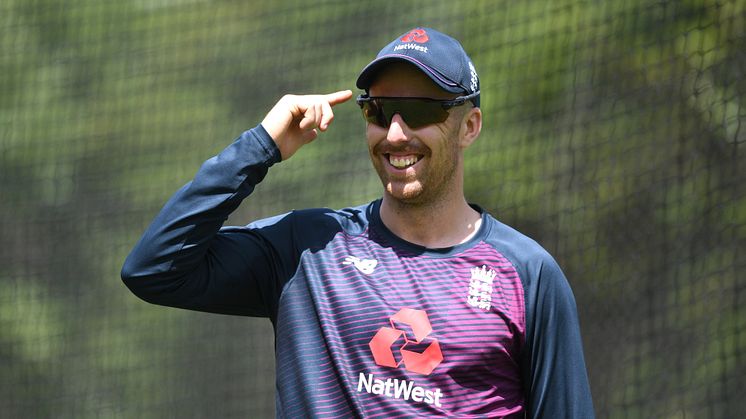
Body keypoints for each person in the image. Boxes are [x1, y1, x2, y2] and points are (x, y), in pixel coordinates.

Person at [122, 27, 595, 418]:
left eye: (420, 112)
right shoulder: (308, 249)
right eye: (379, 110)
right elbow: (154, 270)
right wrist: (261, 146)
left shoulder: (528, 275)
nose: (395, 133)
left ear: (469, 126)